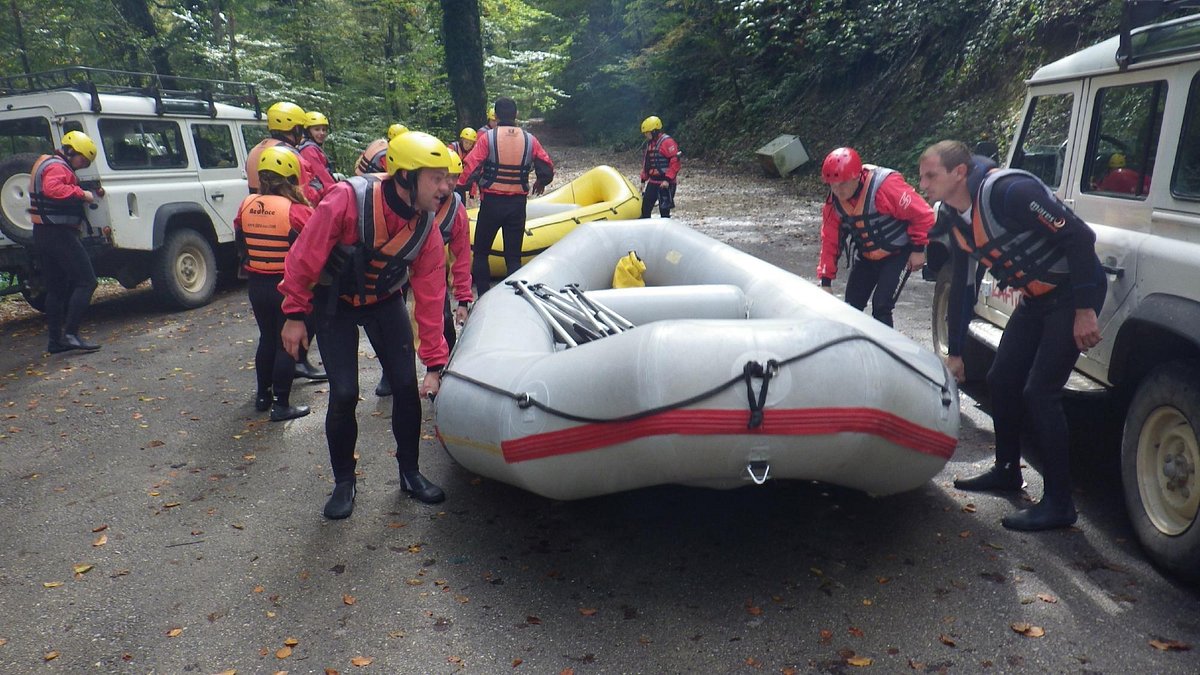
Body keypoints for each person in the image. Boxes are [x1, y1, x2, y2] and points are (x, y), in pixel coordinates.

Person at [918, 139, 1106, 531]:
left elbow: (1080, 238)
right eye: (921, 176)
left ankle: (1059, 503)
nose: (923, 184)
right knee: (1001, 377)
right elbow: (964, 287)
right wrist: (956, 351)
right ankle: (1007, 469)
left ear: (959, 173)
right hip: (1037, 300)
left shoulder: (1011, 192)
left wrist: (1085, 309)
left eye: (930, 175)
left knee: (1040, 392)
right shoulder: (954, 217)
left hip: (1073, 293)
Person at [279, 131, 453, 519]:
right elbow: (303, 258)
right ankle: (344, 482)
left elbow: (431, 297)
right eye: (436, 178)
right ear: (406, 177)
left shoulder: (426, 228)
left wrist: (435, 363)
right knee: (343, 394)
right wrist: (294, 315)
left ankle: (410, 473)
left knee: (406, 386)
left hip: (385, 301)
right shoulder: (347, 200)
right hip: (336, 305)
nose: (445, 187)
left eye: (447, 178)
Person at [376, 148, 473, 397]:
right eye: (442, 177)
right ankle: (391, 373)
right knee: (397, 324)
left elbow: (461, 255)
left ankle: (442, 372)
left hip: (431, 271)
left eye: (453, 177)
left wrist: (463, 297)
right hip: (398, 268)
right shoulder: (413, 202)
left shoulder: (456, 210)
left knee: (442, 320)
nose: (448, 184)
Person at [234, 147, 313, 422]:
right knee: (286, 344)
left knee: (267, 338)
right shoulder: (297, 211)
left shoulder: (246, 205)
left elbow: (239, 237)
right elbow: (315, 245)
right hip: (285, 286)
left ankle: (262, 395)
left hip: (256, 284)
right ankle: (281, 404)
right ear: (292, 176)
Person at [816, 147, 934, 327]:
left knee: (881, 305)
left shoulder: (885, 187)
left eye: (843, 183)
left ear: (856, 176)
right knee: (851, 306)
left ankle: (888, 352)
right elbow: (830, 241)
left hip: (898, 253)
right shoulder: (833, 205)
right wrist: (825, 281)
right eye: (833, 184)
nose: (838, 190)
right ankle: (854, 350)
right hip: (867, 257)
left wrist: (918, 249)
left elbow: (923, 214)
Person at [458, 97, 554, 296]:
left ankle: (483, 296)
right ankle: (514, 299)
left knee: (482, 253)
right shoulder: (530, 140)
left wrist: (461, 186)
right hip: (517, 205)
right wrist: (541, 182)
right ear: (516, 115)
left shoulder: (488, 138)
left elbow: (470, 166)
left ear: (497, 115)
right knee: (513, 258)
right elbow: (547, 168)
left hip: (491, 204)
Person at [30, 130, 104, 353]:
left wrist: (92, 191)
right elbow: (53, 189)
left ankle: (55, 341)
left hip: (43, 233)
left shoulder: (50, 163)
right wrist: (83, 194)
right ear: (71, 151)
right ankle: (71, 333)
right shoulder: (57, 167)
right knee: (87, 282)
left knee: (57, 288)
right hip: (58, 234)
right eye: (82, 160)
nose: (82, 165)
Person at [246, 102, 326, 207]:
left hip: (259, 211)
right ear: (296, 129)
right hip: (289, 213)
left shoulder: (254, 150)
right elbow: (308, 194)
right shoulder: (290, 154)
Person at [638, 115, 681, 219]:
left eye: (647, 132)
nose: (646, 135)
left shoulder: (667, 142)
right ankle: (646, 230)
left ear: (654, 131)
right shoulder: (650, 144)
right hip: (653, 181)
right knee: (645, 209)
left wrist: (667, 180)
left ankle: (666, 232)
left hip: (666, 183)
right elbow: (647, 163)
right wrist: (643, 181)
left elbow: (675, 162)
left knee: (664, 211)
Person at [298, 110, 337, 190]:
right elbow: (321, 175)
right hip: (316, 194)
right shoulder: (309, 150)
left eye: (324, 130)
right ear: (307, 131)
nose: (322, 133)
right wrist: (334, 190)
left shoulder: (310, 147)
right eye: (317, 129)